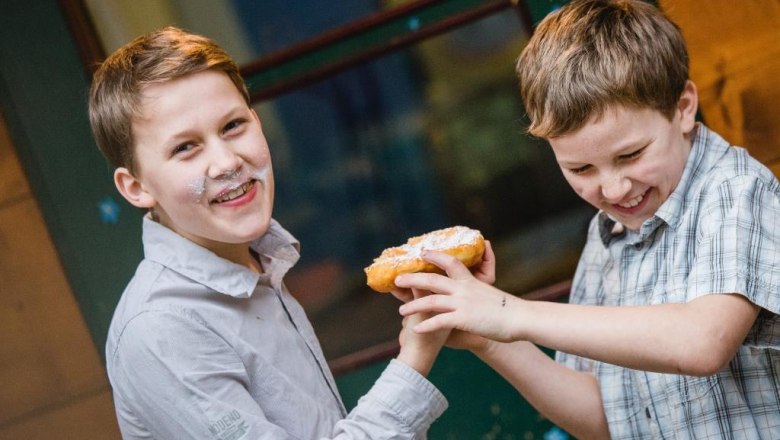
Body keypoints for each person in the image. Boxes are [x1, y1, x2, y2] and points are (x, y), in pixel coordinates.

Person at [395, 1, 780, 439]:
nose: (613, 190)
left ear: (683, 107)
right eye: (581, 170)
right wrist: (490, 337)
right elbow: (606, 420)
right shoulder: (608, 237)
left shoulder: (734, 191)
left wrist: (510, 312)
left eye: (631, 155)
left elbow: (702, 342)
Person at [89, 26, 449, 439]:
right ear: (137, 187)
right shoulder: (162, 329)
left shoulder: (255, 261)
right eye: (185, 147)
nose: (226, 162)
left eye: (233, 126)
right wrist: (416, 354)